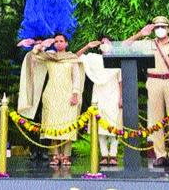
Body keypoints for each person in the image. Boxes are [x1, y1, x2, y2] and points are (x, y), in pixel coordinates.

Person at [126, 16, 169, 167]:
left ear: (168, 29)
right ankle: (160, 154)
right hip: (154, 81)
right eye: (157, 27)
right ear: (153, 29)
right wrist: (140, 34)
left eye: (163, 27)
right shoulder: (147, 44)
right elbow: (125, 46)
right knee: (156, 119)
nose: (160, 30)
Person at [19, 33, 85, 166]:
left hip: (67, 95)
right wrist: (42, 45)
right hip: (51, 95)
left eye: (61, 41)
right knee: (53, 125)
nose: (59, 43)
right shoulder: (49, 57)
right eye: (56, 41)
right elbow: (33, 55)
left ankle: (66, 155)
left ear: (66, 43)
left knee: (67, 125)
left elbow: (77, 77)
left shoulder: (72, 58)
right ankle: (55, 155)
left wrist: (75, 94)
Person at [77, 37, 123, 166]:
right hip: (98, 95)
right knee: (100, 126)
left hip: (114, 94)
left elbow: (121, 81)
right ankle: (104, 155)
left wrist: (121, 98)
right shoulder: (94, 59)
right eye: (102, 42)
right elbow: (76, 57)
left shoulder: (117, 61)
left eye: (107, 42)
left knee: (114, 125)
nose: (105, 44)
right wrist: (87, 46)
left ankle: (113, 155)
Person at [17, 37, 50, 162]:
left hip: (46, 93)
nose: (39, 47)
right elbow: (16, 56)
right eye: (36, 45)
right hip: (32, 94)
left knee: (46, 122)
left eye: (41, 44)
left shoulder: (48, 55)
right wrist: (21, 44)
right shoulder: (28, 56)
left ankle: (44, 150)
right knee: (32, 123)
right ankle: (33, 150)